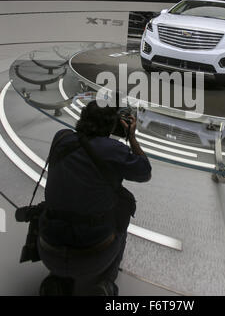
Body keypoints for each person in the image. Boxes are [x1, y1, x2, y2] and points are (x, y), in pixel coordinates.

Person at [38, 101, 151, 296]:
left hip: (47, 249)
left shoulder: (61, 138)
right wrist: (131, 137)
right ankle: (105, 283)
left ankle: (57, 281)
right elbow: (145, 172)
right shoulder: (114, 150)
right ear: (112, 125)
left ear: (82, 118)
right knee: (121, 222)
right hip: (94, 256)